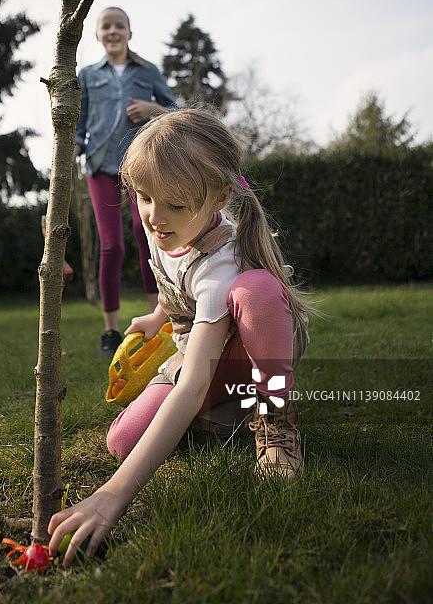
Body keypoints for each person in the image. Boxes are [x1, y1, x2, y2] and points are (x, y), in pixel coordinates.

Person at [49, 107, 311, 565]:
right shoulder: (165, 227)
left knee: (258, 290)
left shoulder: (221, 260)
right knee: (121, 441)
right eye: (144, 197)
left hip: (249, 351)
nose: (153, 216)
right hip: (202, 350)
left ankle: (273, 421)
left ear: (218, 198)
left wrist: (113, 494)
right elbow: (176, 287)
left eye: (173, 204)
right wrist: (156, 318)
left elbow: (191, 385)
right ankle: (232, 411)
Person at [74, 6, 177, 357]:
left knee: (145, 232)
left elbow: (175, 111)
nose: (113, 31)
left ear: (129, 34)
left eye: (120, 26)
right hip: (100, 166)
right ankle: (111, 330)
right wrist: (70, 149)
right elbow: (80, 120)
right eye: (107, 26)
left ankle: (158, 317)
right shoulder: (87, 75)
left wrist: (151, 108)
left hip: (140, 166)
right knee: (111, 246)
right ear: (98, 35)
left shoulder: (147, 72)